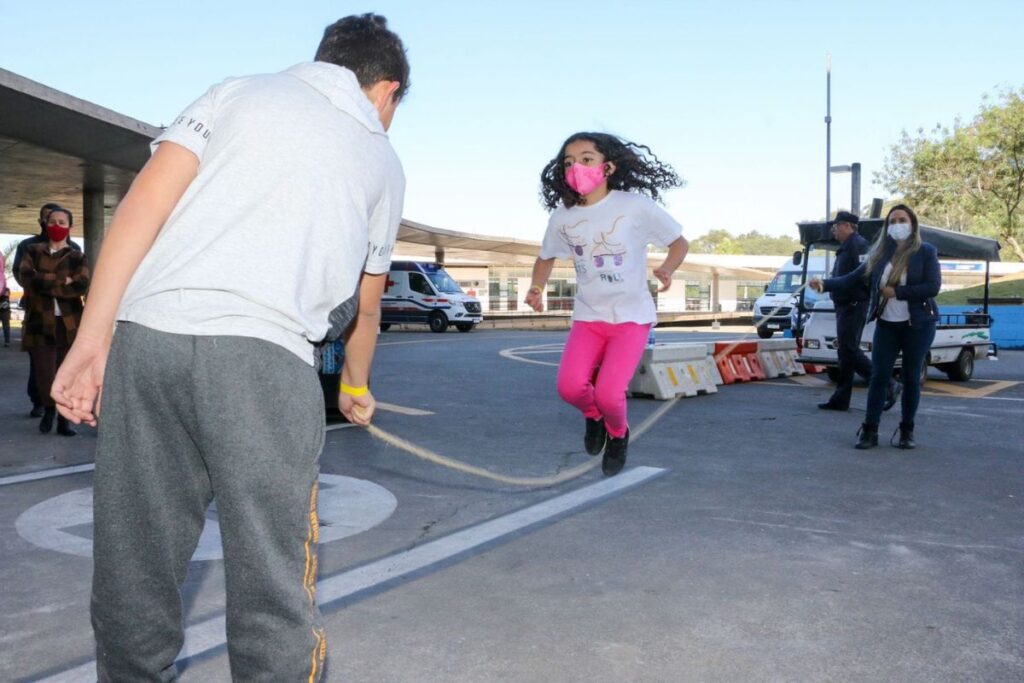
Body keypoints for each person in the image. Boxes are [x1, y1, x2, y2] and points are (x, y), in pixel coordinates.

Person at [52, 14, 409, 681]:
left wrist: (90, 340)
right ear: (386, 90)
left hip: (147, 341)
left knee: (136, 558)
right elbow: (365, 305)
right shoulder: (382, 159)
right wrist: (355, 387)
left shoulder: (238, 91)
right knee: (272, 579)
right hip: (262, 361)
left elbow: (141, 208)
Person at [526, 132, 688, 476]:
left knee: (610, 393)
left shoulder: (633, 206)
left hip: (631, 318)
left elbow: (679, 242)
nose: (576, 168)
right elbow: (545, 257)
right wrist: (536, 287)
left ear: (608, 167)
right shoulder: (563, 216)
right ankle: (593, 417)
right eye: (568, 163)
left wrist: (667, 269)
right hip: (589, 316)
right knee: (570, 388)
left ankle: (617, 433)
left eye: (586, 159)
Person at [810, 204, 940, 450]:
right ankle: (870, 429)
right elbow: (853, 277)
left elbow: (932, 287)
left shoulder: (926, 251)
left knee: (911, 378)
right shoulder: (879, 254)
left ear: (912, 224)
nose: (897, 225)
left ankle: (906, 430)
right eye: (892, 221)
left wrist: (898, 292)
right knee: (879, 377)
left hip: (918, 324)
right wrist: (824, 284)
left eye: (902, 219)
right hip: (887, 324)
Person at [817, 210, 900, 412]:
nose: (834, 230)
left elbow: (861, 277)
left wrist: (829, 284)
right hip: (845, 305)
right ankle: (841, 398)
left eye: (836, 225)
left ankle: (888, 383)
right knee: (845, 352)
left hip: (854, 305)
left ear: (848, 226)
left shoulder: (859, 245)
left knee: (850, 350)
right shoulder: (847, 246)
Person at [18, 207, 89, 435]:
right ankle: (49, 409)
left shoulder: (77, 255)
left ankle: (64, 420)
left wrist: (46, 281)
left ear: (70, 226)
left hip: (69, 324)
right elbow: (28, 280)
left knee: (67, 372)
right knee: (44, 372)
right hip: (40, 322)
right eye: (52, 221)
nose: (57, 226)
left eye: (62, 222)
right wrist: (62, 280)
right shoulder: (32, 250)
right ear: (45, 224)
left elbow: (80, 285)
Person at [1, 250, 11, 347]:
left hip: (4, 309)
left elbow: (7, 294)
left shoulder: (6, 288)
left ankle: (7, 341)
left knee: (6, 326)